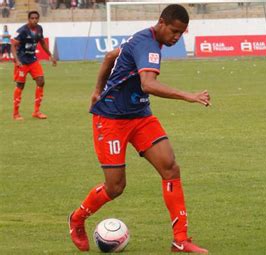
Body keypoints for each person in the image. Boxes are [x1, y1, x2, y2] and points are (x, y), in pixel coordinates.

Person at [68, 4, 209, 254]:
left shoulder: (146, 38)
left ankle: (180, 240)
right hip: (111, 119)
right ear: (162, 22)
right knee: (115, 187)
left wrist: (97, 90)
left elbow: (111, 56)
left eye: (182, 33)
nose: (176, 37)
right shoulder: (147, 44)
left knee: (170, 167)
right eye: (174, 31)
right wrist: (188, 96)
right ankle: (77, 218)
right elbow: (147, 84)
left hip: (140, 116)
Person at [11, 11, 57, 121]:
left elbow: (42, 42)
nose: (34, 20)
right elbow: (13, 45)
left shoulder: (39, 29)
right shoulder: (22, 31)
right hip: (22, 61)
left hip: (33, 60)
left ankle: (36, 111)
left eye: (36, 18)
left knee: (41, 81)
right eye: (32, 18)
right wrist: (17, 60)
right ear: (28, 19)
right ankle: (16, 113)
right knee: (20, 85)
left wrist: (50, 55)